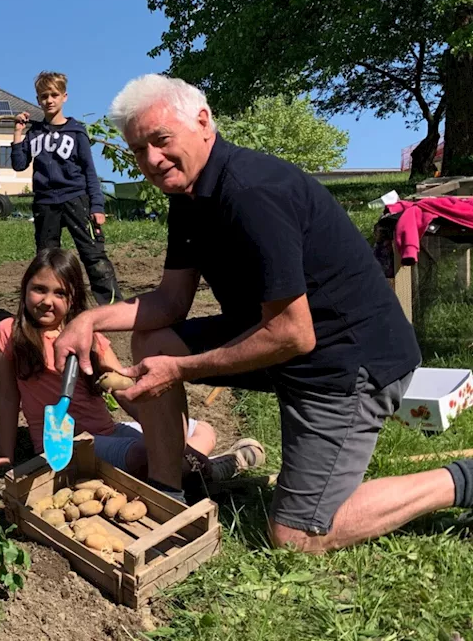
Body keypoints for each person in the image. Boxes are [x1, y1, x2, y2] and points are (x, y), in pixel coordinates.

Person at [52, 73, 473, 554]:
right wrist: (88, 320)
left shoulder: (252, 192)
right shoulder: (187, 198)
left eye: (161, 140)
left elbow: (295, 334)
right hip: (283, 338)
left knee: (297, 536)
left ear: (203, 122)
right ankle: (170, 489)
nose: (150, 159)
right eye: (138, 149)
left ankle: (461, 479)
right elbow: (170, 302)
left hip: (347, 362)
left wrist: (183, 370)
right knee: (154, 338)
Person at [0, 249, 252, 484]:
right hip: (68, 443)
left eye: (60, 293)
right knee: (150, 455)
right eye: (39, 289)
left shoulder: (89, 338)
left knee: (203, 431)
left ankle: (193, 466)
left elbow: (122, 390)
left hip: (108, 430)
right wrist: (6, 455)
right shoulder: (10, 333)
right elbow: (8, 397)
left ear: (72, 300)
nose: (47, 301)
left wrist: (156, 427)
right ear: (25, 290)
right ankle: (210, 470)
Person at [11, 71, 121, 305]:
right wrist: (18, 134)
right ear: (38, 100)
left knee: (92, 254)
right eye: (43, 96)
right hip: (45, 202)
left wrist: (97, 206)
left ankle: (112, 306)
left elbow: (90, 171)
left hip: (75, 198)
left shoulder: (76, 132)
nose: (48, 100)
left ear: (64, 97)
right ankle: (54, 304)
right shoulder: (34, 133)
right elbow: (19, 165)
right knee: (47, 258)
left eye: (53, 95)